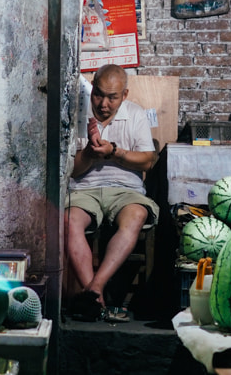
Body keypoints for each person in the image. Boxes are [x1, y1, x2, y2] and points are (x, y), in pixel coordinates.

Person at [65, 64, 158, 322]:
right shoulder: (75, 115)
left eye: (112, 97)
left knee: (137, 215)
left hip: (125, 190)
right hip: (85, 189)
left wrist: (115, 152)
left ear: (124, 95)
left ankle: (93, 291)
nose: (104, 103)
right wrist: (90, 155)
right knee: (68, 221)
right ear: (92, 88)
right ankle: (98, 299)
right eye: (98, 94)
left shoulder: (135, 114)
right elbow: (71, 171)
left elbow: (148, 161)